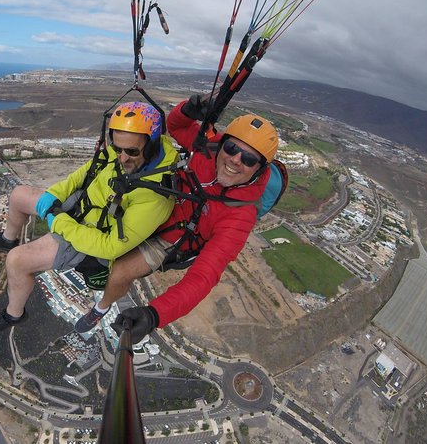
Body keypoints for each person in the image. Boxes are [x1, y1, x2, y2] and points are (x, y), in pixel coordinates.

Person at [74, 95, 279, 343]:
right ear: (222, 144)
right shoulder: (208, 149)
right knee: (89, 215)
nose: (235, 160)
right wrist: (189, 109)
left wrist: (154, 315)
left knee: (119, 272)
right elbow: (176, 126)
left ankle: (101, 308)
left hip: (171, 238)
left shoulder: (239, 216)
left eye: (248, 159)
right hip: (154, 201)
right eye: (232, 148)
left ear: (260, 169)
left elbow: (203, 277)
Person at [0, 101, 178, 332]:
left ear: (151, 146)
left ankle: (14, 314)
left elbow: (110, 247)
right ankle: (7, 238)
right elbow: (82, 175)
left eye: (131, 151)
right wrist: (52, 197)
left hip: (90, 237)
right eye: (117, 148)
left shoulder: (155, 196)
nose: (122, 158)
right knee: (18, 195)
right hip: (80, 208)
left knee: (17, 260)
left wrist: (59, 221)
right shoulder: (123, 153)